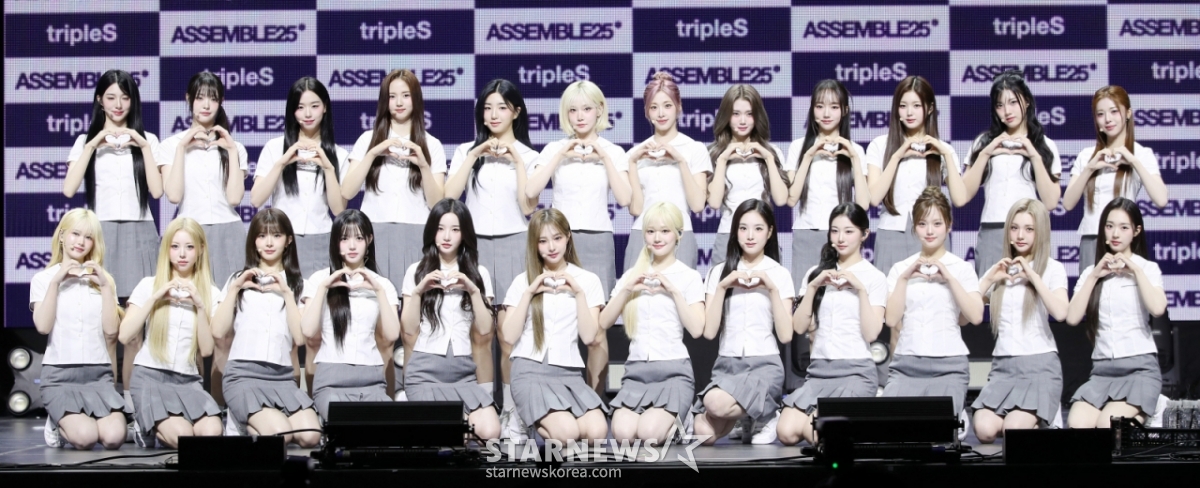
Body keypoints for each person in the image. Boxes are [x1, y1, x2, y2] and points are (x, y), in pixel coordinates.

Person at [445, 79, 539, 441]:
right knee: (481, 333)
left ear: (516, 112)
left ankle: (513, 413)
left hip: (516, 244)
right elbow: (448, 198)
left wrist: (516, 158)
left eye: (502, 107)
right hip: (476, 248)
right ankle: (483, 409)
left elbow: (528, 206)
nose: (494, 114)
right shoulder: (466, 152)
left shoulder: (530, 155)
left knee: (509, 335)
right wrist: (474, 155)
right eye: (487, 108)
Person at [62, 69, 163, 407]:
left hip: (139, 232)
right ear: (99, 101)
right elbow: (69, 188)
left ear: (133, 101)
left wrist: (143, 145)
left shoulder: (148, 139)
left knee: (133, 331)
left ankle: (132, 403)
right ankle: (105, 400)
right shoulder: (85, 141)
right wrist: (94, 142)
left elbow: (158, 191)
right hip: (100, 235)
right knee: (104, 329)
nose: (118, 104)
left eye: (125, 97)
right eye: (111, 97)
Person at [526, 80, 632, 398]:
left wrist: (603, 156)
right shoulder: (553, 149)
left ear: (599, 110)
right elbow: (531, 191)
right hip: (559, 244)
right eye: (573, 110)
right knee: (557, 321)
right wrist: (561, 154)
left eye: (587, 108)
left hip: (598, 241)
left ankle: (595, 400)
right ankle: (556, 393)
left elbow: (625, 198)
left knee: (597, 332)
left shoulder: (614, 151)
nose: (580, 116)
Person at [777, 203, 885, 446]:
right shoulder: (815, 273)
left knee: (818, 431)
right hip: (819, 372)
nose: (840, 238)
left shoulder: (874, 278)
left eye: (848, 231)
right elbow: (799, 327)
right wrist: (813, 286)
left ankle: (850, 430)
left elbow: (871, 333)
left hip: (856, 373)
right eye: (835, 231)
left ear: (864, 234)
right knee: (786, 432)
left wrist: (860, 289)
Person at [500, 209, 609, 447]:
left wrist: (579, 293)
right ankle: (524, 417)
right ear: (534, 244)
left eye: (557, 238)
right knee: (568, 434)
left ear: (568, 237)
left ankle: (538, 419)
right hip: (529, 372)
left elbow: (589, 337)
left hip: (568, 373)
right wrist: (529, 292)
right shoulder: (522, 281)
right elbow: (508, 336)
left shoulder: (588, 280)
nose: (551, 247)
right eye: (543, 241)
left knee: (597, 432)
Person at [211, 208, 319, 447]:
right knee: (282, 435)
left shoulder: (300, 285)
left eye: (276, 235)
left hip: (282, 378)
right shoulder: (237, 279)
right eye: (262, 236)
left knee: (311, 435)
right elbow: (217, 332)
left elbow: (300, 338)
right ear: (253, 240)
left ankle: (250, 422)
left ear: (288, 240)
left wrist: (287, 293)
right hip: (243, 376)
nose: (269, 243)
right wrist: (235, 289)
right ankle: (242, 422)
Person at [601, 202, 705, 446]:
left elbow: (697, 329)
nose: (657, 238)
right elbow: (603, 322)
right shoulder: (631, 275)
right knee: (623, 434)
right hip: (636, 374)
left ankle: (682, 420)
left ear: (679, 235)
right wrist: (627, 289)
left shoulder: (689, 277)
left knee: (649, 434)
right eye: (651, 231)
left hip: (674, 373)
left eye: (665, 231)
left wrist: (674, 291)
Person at [694, 199, 794, 445]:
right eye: (743, 228)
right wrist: (723, 286)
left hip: (764, 365)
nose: (750, 236)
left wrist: (771, 288)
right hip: (727, 365)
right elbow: (709, 332)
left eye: (758, 229)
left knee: (715, 403)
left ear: (769, 232)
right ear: (735, 231)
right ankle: (751, 415)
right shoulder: (718, 272)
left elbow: (785, 335)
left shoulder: (780, 274)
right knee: (703, 435)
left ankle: (768, 414)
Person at [400, 199, 500, 442]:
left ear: (464, 233)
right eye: (440, 228)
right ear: (432, 231)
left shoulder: (479, 273)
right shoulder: (416, 270)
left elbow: (485, 330)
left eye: (455, 229)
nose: (446, 236)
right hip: (424, 374)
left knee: (490, 431)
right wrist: (418, 291)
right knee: (453, 435)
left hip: (463, 374)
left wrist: (473, 290)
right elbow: (408, 330)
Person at [883, 187, 983, 430]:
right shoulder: (900, 269)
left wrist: (949, 278)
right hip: (906, 364)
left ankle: (957, 415)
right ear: (914, 227)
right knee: (892, 430)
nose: (929, 231)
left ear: (949, 226)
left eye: (937, 224)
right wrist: (904, 278)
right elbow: (891, 319)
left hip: (949, 365)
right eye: (922, 224)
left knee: (936, 430)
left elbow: (976, 316)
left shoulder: (961, 269)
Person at [118, 217, 223, 448]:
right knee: (184, 438)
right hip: (150, 378)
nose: (182, 254)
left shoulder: (211, 293)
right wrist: (155, 298)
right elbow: (124, 336)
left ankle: (153, 426)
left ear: (201, 249)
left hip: (188, 381)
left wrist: (200, 306)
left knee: (212, 432)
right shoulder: (148, 284)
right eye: (175, 247)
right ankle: (145, 424)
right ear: (166, 249)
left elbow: (207, 350)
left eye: (189, 247)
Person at [972, 199, 1068, 442]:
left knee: (1013, 430)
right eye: (1014, 228)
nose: (1020, 235)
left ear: (1040, 231)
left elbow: (1061, 312)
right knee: (983, 429)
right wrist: (988, 280)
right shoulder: (1000, 269)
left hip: (1040, 367)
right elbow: (966, 314)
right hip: (1003, 368)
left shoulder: (1053, 268)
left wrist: (1033, 276)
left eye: (1029, 229)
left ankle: (1046, 420)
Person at [1066, 198, 1167, 429]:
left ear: (1136, 231)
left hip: (1139, 370)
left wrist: (1135, 271)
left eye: (1123, 227)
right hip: (1102, 372)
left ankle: (1151, 409)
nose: (1115, 234)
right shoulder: (1091, 273)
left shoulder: (1147, 268)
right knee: (1077, 424)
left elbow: (1157, 308)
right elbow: (1072, 318)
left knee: (1108, 426)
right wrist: (1095, 275)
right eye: (1109, 226)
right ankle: (1140, 415)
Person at [31, 209, 125, 449]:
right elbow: (42, 327)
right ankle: (57, 421)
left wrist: (105, 287)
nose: (81, 242)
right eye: (75, 234)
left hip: (98, 375)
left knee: (114, 438)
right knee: (85, 438)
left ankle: (74, 420)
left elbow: (111, 331)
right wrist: (56, 281)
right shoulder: (44, 279)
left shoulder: (104, 279)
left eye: (88, 237)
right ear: (62, 236)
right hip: (60, 376)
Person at [299, 210, 400, 423]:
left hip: (372, 379)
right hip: (331, 381)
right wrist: (323, 288)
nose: (352, 246)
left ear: (369, 240)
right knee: (346, 424)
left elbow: (391, 335)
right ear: (336, 242)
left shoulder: (382, 284)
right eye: (344, 239)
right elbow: (307, 331)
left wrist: (379, 291)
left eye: (359, 238)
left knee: (387, 427)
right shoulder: (318, 280)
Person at [961, 70, 1062, 278]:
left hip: (1030, 230)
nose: (1007, 111)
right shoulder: (983, 142)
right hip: (992, 230)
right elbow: (963, 194)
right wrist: (986, 153)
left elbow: (1051, 201)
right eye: (999, 105)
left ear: (1026, 101)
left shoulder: (1045, 145)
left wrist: (1034, 155)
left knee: (1029, 292)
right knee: (989, 293)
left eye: (1013, 102)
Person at [865, 76, 968, 276]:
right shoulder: (879, 145)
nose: (909, 112)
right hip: (891, 235)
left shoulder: (942, 149)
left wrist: (945, 155)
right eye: (903, 106)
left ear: (929, 109)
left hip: (931, 235)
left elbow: (960, 198)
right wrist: (897, 156)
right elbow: (874, 198)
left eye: (916, 105)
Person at [249, 76, 349, 276]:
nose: (308, 114)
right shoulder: (274, 147)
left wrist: (329, 168)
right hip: (280, 239)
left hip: (320, 238)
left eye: (314, 106)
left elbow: (338, 210)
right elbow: (256, 200)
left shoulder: (339, 154)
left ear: (325, 107)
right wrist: (281, 163)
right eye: (300, 107)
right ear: (292, 111)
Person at [1063, 86, 1168, 270]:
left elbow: (1161, 199)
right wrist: (1089, 168)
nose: (1108, 119)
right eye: (1100, 114)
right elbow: (1068, 203)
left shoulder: (1142, 154)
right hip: (1092, 239)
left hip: (1124, 241)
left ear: (1128, 113)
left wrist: (1133, 161)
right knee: (1090, 288)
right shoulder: (1086, 155)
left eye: (1114, 111)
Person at [624, 72, 711, 271]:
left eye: (667, 105)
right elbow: (636, 209)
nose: (661, 114)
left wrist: (680, 161)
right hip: (642, 234)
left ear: (679, 107)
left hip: (681, 233)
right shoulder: (635, 154)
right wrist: (632, 163)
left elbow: (698, 205)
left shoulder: (694, 149)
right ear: (647, 112)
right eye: (654, 107)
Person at [785, 79, 869, 281]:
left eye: (834, 107)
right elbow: (791, 199)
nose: (826, 113)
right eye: (820, 106)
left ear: (845, 110)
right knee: (803, 294)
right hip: (806, 233)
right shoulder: (798, 147)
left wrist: (854, 159)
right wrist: (809, 155)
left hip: (842, 236)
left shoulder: (856, 150)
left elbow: (863, 204)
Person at [705, 84, 788, 261]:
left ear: (757, 116)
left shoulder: (772, 152)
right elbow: (714, 202)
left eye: (749, 114)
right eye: (736, 114)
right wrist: (722, 159)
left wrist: (768, 157)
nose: (742, 121)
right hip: (728, 234)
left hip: (763, 236)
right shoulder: (713, 153)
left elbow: (781, 199)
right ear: (726, 115)